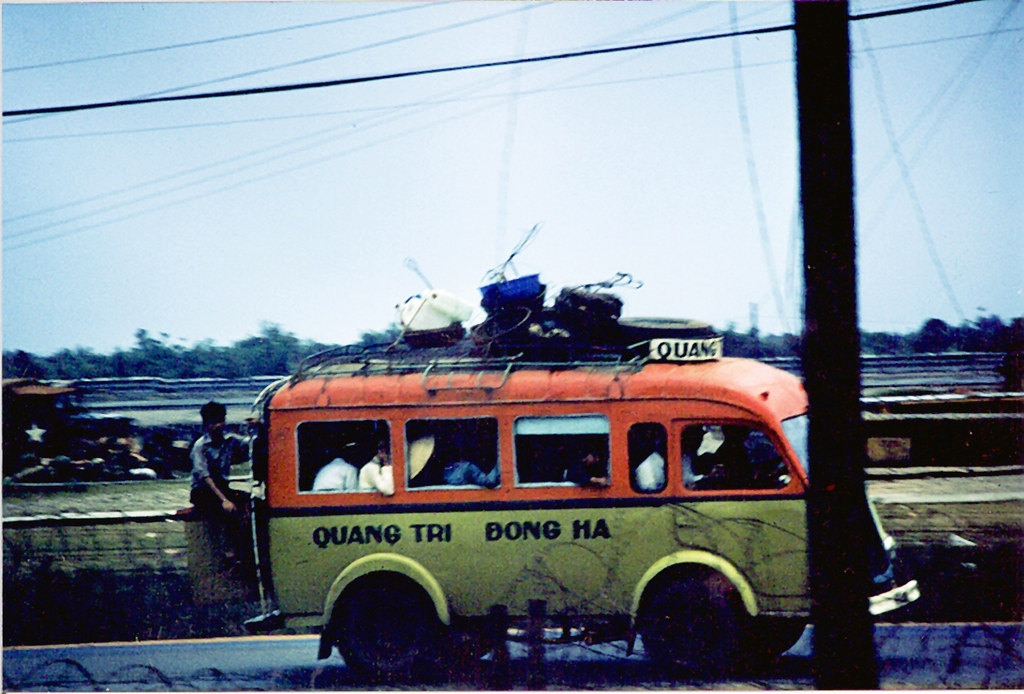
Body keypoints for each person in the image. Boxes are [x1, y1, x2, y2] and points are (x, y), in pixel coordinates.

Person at [190, 401, 250, 560]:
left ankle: (245, 545)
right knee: (224, 510)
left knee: (248, 501)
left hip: (223, 486)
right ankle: (226, 549)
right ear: (206, 425)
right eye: (213, 422)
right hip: (203, 490)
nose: (218, 425)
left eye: (221, 421)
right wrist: (224, 500)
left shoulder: (230, 441)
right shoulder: (200, 446)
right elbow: (204, 476)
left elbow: (250, 445)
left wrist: (255, 428)